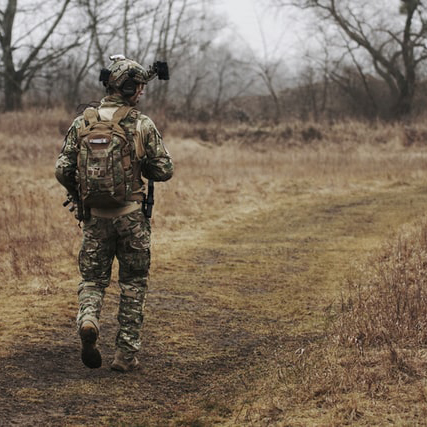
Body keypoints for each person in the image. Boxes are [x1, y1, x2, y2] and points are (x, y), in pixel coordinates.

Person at [55, 55, 174, 372]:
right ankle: (125, 356)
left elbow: (62, 168)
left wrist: (78, 196)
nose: (142, 93)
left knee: (92, 280)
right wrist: (142, 164)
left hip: (95, 218)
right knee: (133, 284)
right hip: (132, 217)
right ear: (132, 89)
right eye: (141, 88)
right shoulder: (141, 124)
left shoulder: (84, 122)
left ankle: (89, 319)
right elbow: (164, 170)